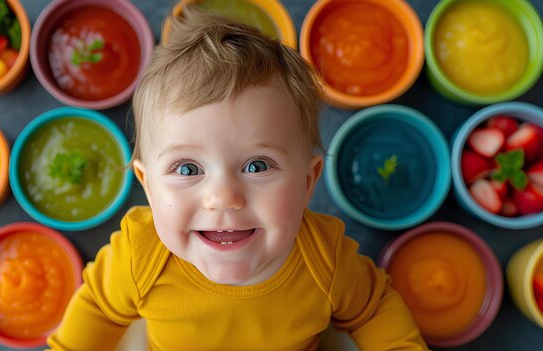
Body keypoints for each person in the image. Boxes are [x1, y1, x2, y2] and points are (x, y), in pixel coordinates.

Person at [47, 7, 428, 351]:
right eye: (187, 169)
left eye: (257, 166)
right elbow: (100, 307)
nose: (224, 197)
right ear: (147, 185)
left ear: (307, 182)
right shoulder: (140, 256)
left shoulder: (324, 259)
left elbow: (373, 309)